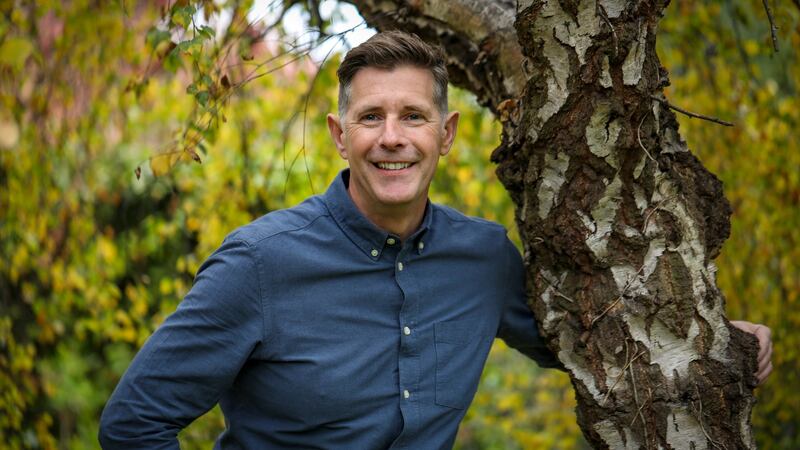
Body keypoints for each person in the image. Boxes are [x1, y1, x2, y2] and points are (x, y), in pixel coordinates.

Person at [98, 31, 773, 449]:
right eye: (371, 117)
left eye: (413, 116)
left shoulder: (481, 259)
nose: (392, 136)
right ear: (340, 135)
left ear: (444, 137)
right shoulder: (260, 264)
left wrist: (708, 333)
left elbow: (577, 340)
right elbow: (134, 423)